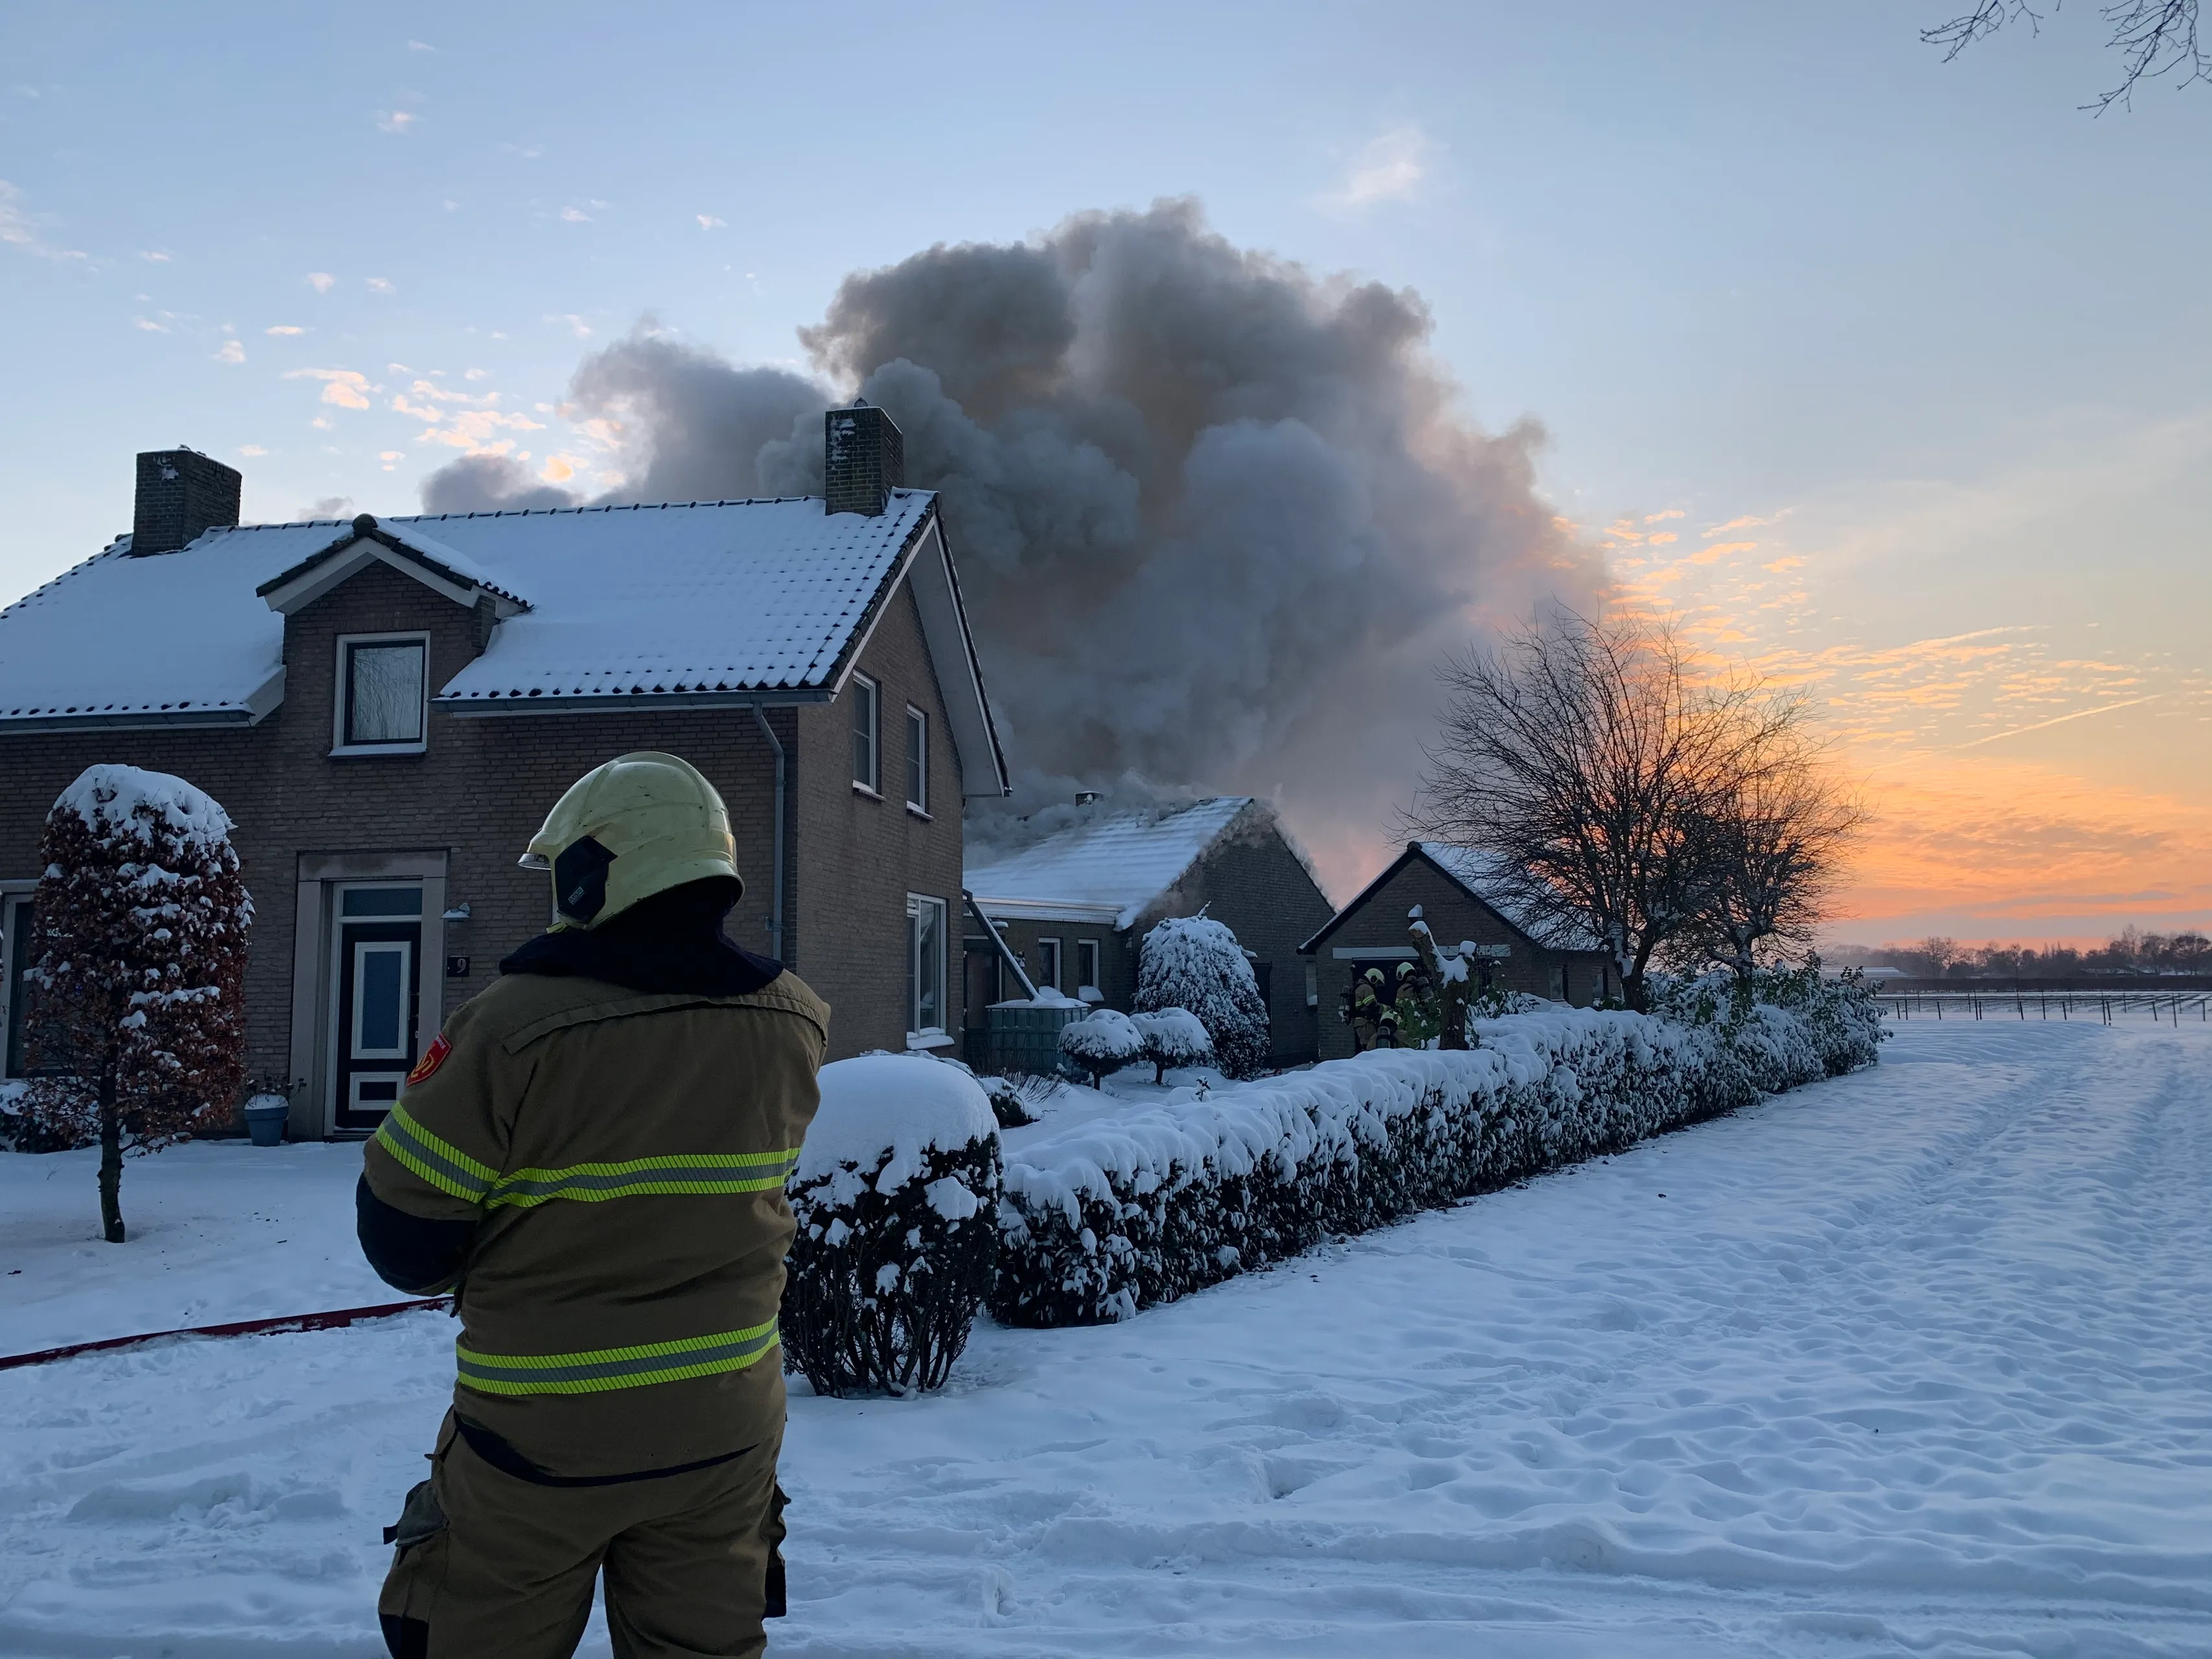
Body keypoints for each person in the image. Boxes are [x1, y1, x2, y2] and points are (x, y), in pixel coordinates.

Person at [356, 752, 830, 1659]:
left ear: (590, 874)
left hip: (538, 1442)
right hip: (724, 1430)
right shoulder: (794, 1023)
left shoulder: (509, 1027)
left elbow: (404, 1240)